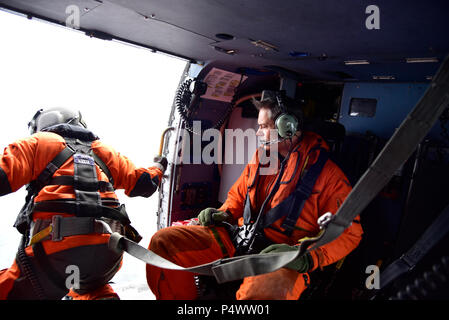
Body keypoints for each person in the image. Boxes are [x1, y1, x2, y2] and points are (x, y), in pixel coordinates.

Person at [146, 91, 363, 300]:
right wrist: (223, 213)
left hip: (284, 256)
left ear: (287, 127)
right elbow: (238, 198)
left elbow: (349, 233)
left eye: (263, 127)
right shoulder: (261, 159)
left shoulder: (329, 176)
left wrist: (306, 257)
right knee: (164, 243)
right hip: (241, 239)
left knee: (268, 289)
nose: (258, 133)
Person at [0, 107, 167, 300]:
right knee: (90, 290)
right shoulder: (105, 152)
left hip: (54, 254)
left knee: (11, 288)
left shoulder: (37, 143)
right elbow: (144, 184)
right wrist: (158, 166)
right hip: (109, 253)